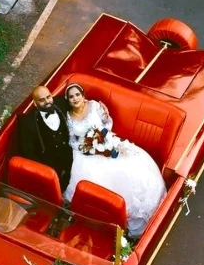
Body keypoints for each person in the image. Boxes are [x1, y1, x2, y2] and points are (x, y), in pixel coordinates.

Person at [63, 83, 166, 237]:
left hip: (107, 143)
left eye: (77, 94)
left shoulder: (94, 106)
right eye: (71, 96)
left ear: (83, 96)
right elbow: (72, 140)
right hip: (86, 153)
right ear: (68, 100)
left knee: (131, 171)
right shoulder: (69, 117)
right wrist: (87, 146)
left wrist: (103, 138)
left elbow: (106, 122)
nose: (75, 98)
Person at [16, 86, 73, 191]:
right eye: (42, 100)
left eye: (48, 97)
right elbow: (28, 152)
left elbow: (80, 103)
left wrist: (98, 104)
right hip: (48, 165)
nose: (47, 102)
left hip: (70, 155)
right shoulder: (27, 122)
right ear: (34, 103)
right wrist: (45, 172)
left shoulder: (61, 102)